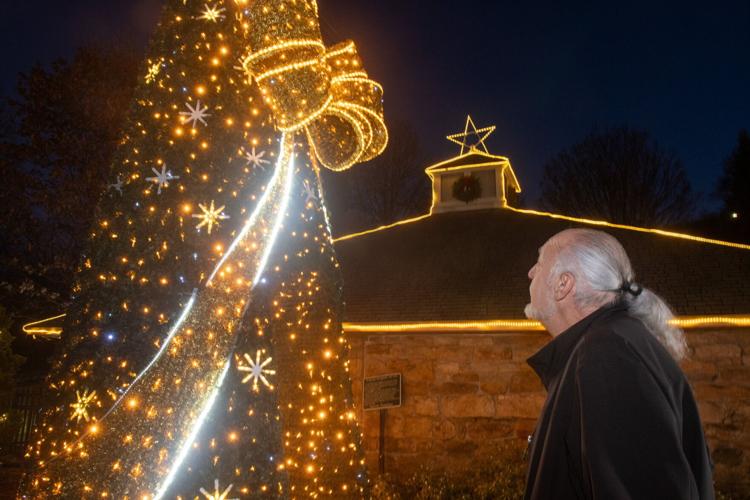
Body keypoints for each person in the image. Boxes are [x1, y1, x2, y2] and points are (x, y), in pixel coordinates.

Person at [523, 228, 714, 500]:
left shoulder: (608, 356)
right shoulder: (615, 340)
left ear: (563, 284)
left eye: (540, 263)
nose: (531, 272)